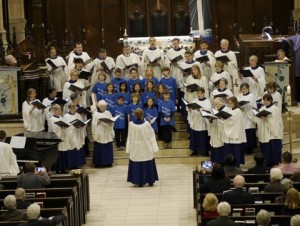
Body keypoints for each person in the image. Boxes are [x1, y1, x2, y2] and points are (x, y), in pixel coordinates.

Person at [126, 108, 159, 187]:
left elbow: (129, 137)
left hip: (136, 147)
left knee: (137, 162)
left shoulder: (131, 124)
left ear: (134, 115)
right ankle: (150, 180)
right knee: (148, 162)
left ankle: (139, 181)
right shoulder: (147, 124)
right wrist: (154, 147)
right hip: (146, 147)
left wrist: (128, 149)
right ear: (142, 115)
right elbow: (151, 135)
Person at [255, 94, 283, 166]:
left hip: (271, 133)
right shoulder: (262, 108)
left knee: (272, 149)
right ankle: (266, 162)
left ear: (270, 100)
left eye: (266, 100)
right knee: (265, 150)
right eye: (264, 100)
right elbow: (257, 119)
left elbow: (276, 121)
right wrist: (260, 118)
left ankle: (274, 162)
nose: (265, 101)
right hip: (264, 131)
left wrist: (267, 119)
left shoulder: (275, 109)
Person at [222, 96, 246, 166]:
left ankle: (237, 163)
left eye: (231, 103)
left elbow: (233, 121)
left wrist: (225, 120)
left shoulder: (238, 111)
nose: (230, 104)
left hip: (236, 134)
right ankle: (228, 163)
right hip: (230, 134)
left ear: (235, 103)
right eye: (229, 103)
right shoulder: (229, 110)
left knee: (236, 151)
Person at [188, 87, 211, 156]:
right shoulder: (194, 101)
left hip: (203, 122)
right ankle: (195, 150)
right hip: (196, 121)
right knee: (195, 136)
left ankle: (205, 151)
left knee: (203, 137)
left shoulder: (207, 101)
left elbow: (208, 111)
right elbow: (190, 111)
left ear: (203, 93)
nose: (199, 94)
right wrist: (190, 109)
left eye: (200, 93)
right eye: (198, 93)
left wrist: (200, 110)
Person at [91, 100, 114, 167]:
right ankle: (99, 163)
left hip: (107, 131)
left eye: (105, 106)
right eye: (102, 106)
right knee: (99, 148)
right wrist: (98, 122)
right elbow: (93, 124)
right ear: (99, 107)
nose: (104, 108)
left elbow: (111, 121)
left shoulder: (108, 113)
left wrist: (110, 123)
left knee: (107, 147)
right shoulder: (96, 114)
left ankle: (108, 162)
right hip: (100, 132)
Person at [236, 83, 257, 154]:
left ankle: (249, 149)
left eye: (244, 88)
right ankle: (243, 148)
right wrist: (239, 107)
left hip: (249, 117)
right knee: (243, 133)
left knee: (249, 133)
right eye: (242, 89)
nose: (243, 90)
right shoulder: (239, 96)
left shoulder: (252, 96)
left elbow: (254, 107)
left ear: (248, 88)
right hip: (242, 116)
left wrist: (247, 107)